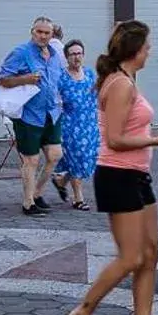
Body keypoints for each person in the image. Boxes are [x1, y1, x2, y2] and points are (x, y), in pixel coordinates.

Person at [59, 21, 158, 315]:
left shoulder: (126, 79)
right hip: (117, 176)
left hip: (137, 175)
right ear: (135, 50)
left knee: (151, 251)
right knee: (131, 257)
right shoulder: (119, 84)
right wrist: (157, 140)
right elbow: (114, 140)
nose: (150, 51)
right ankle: (82, 312)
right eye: (147, 46)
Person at [0, 17, 66, 216]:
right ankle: (28, 203)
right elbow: (2, 79)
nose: (42, 36)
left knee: (55, 155)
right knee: (31, 160)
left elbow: (59, 81)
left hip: (52, 113)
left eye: (46, 33)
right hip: (29, 115)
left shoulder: (55, 55)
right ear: (32, 32)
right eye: (39, 32)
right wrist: (25, 79)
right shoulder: (21, 52)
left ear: (52, 35)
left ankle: (36, 193)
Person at [53, 39, 99, 210]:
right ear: (66, 57)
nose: (76, 57)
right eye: (72, 54)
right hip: (71, 125)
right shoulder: (61, 77)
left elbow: (97, 95)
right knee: (77, 158)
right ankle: (78, 198)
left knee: (87, 159)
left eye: (79, 53)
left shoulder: (90, 74)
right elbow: (54, 100)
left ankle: (60, 180)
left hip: (90, 124)